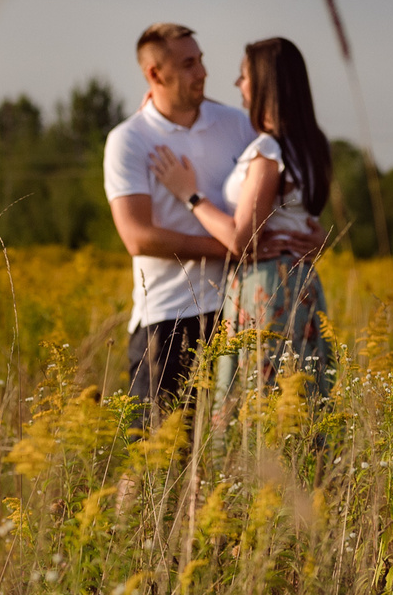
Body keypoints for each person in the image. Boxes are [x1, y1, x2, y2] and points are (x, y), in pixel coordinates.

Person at [104, 23, 316, 422]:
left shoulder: (238, 124)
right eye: (188, 64)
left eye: (200, 60)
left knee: (232, 450)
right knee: (157, 450)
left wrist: (307, 234)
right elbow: (137, 237)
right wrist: (236, 247)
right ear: (154, 74)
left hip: (238, 312)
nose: (202, 71)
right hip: (166, 318)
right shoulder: (130, 139)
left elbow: (280, 188)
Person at [150, 37, 337, 406]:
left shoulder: (268, 151)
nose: (238, 84)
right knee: (299, 397)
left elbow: (242, 240)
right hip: (302, 283)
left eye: (244, 76)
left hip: (267, 287)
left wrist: (190, 195)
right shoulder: (311, 144)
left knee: (262, 403)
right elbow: (304, 221)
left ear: (266, 83)